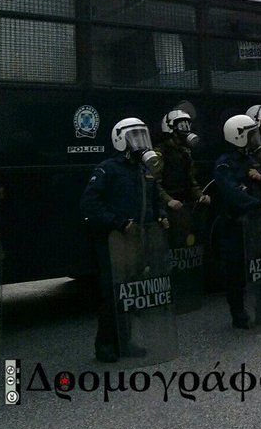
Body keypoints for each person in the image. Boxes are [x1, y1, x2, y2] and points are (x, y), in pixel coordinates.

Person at [80, 117, 169, 363]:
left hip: (137, 240)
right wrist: (117, 222)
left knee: (130, 291)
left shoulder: (144, 170)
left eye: (143, 136)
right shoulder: (108, 168)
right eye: (134, 137)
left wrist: (160, 216)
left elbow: (154, 200)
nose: (140, 143)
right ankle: (106, 344)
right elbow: (90, 204)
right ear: (120, 139)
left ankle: (125, 341)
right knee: (112, 292)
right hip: (113, 241)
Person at [213, 115, 261, 328]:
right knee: (235, 271)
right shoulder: (224, 164)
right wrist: (256, 204)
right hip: (235, 224)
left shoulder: (253, 161)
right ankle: (239, 313)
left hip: (258, 225)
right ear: (238, 136)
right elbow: (231, 193)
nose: (256, 137)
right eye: (250, 133)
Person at [155, 109, 209, 213]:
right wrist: (169, 200)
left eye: (187, 125)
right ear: (170, 128)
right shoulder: (160, 153)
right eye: (181, 126)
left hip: (182, 204)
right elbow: (154, 184)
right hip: (164, 207)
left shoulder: (185, 153)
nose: (185, 130)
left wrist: (200, 196)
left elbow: (191, 181)